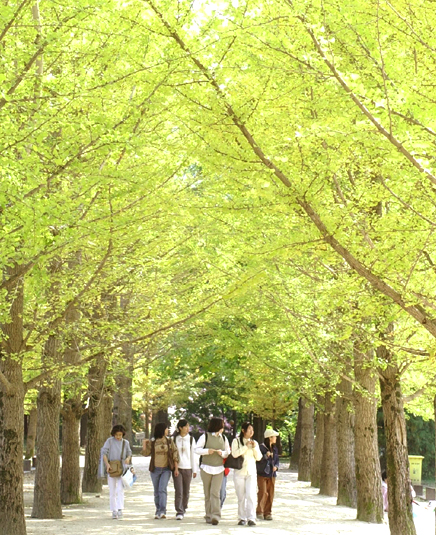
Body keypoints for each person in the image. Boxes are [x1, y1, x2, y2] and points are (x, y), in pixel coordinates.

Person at [195, 417, 230, 525]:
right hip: (206, 468)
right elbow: (196, 449)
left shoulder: (224, 438)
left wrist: (221, 453)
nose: (223, 428)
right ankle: (208, 515)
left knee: (215, 493)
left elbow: (227, 452)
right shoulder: (205, 436)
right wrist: (207, 451)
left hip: (219, 468)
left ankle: (216, 516)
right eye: (221, 426)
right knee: (207, 493)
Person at [142, 422, 180, 519]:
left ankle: (163, 510)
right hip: (155, 469)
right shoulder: (153, 442)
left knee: (162, 489)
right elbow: (146, 453)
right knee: (156, 491)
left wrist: (176, 468)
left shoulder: (169, 441)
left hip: (166, 469)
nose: (167, 430)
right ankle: (157, 510)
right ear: (162, 430)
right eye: (166, 428)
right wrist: (144, 444)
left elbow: (175, 454)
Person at [231, 421, 262, 526]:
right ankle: (241, 517)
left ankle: (251, 518)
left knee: (251, 495)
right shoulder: (236, 441)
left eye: (252, 430)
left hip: (251, 472)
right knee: (241, 496)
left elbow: (259, 457)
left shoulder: (255, 442)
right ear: (243, 430)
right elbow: (234, 454)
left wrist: (254, 448)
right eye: (249, 429)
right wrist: (245, 446)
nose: (251, 432)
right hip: (239, 472)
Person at [101, 424, 132, 520]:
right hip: (112, 468)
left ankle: (120, 509)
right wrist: (107, 465)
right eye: (117, 435)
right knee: (112, 490)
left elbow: (129, 453)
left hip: (122, 468)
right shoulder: (109, 441)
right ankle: (113, 510)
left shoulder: (125, 443)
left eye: (120, 435)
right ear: (113, 434)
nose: (118, 437)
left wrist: (128, 458)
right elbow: (104, 453)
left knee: (120, 490)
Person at [172, 419, 198, 520]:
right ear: (180, 428)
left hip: (188, 468)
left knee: (186, 491)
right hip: (177, 468)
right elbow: (173, 454)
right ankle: (179, 511)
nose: (188, 428)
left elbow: (193, 455)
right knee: (179, 490)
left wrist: (194, 470)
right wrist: (175, 467)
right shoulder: (175, 439)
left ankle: (184, 507)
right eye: (186, 426)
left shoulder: (191, 439)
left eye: (188, 426)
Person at [256, 429, 280, 521]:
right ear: (269, 438)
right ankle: (259, 511)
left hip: (272, 474)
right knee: (263, 492)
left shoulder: (275, 448)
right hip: (262, 474)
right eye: (274, 437)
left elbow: (277, 460)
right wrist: (266, 456)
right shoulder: (261, 448)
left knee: (270, 493)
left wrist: (276, 467)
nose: (276, 438)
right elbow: (258, 460)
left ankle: (268, 513)